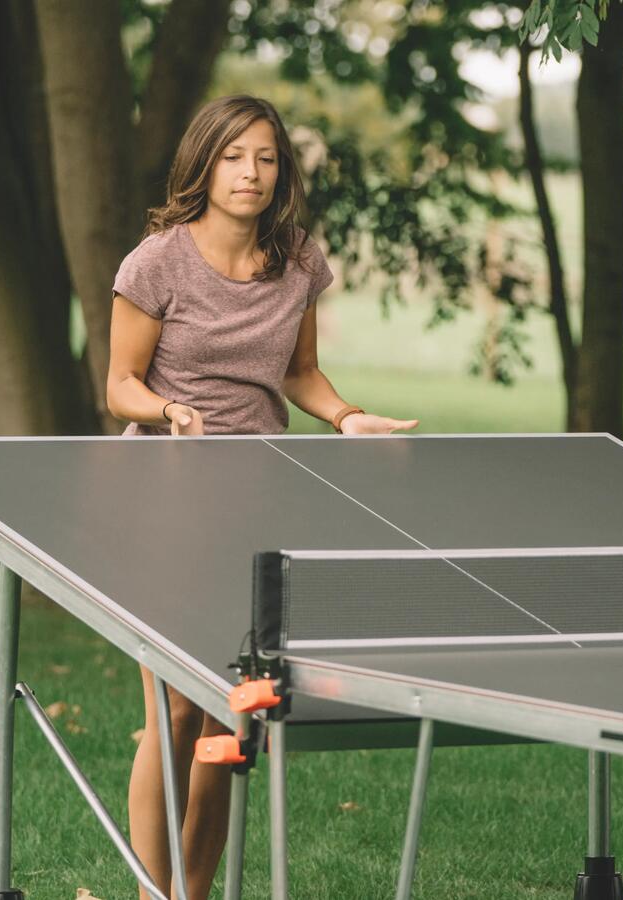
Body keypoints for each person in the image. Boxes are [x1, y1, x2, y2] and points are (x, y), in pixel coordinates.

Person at [104, 94, 418, 899]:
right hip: (167, 497)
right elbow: (120, 386)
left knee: (226, 720)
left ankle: (192, 895)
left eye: (266, 158)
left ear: (281, 173)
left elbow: (299, 371)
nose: (251, 173)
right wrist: (170, 410)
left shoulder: (299, 261)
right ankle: (151, 892)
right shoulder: (156, 263)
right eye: (235, 155)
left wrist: (346, 418)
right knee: (174, 712)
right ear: (204, 163)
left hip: (259, 497)